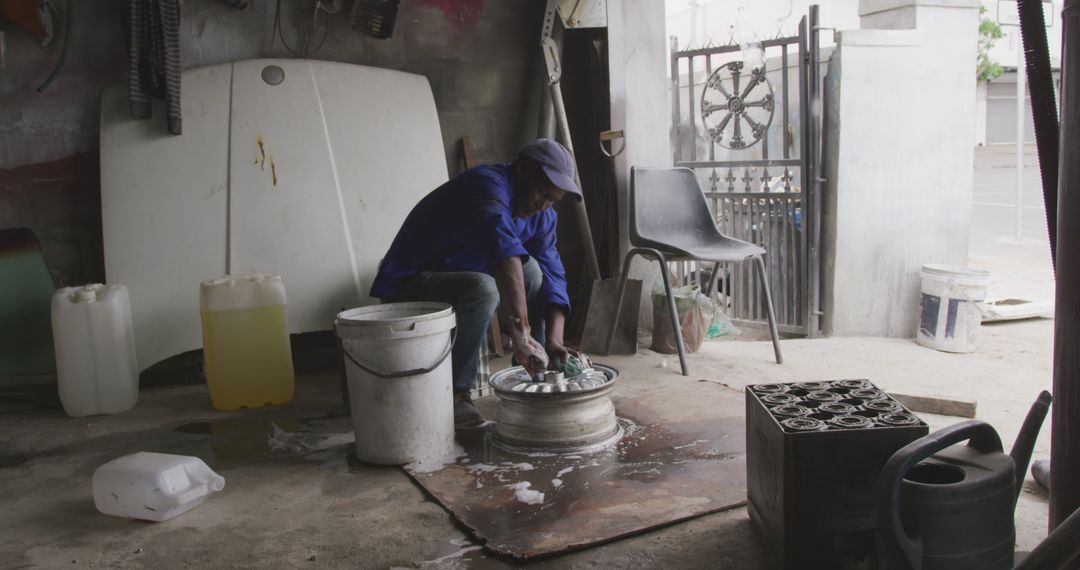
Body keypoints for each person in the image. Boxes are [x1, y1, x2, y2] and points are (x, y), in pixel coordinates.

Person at [370, 138, 580, 426]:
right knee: (484, 288)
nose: (542, 204)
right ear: (524, 169)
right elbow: (503, 250)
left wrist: (556, 340)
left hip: (461, 278)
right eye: (542, 192)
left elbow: (554, 275)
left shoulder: (542, 216)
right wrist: (520, 330)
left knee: (534, 273)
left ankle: (535, 370)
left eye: (552, 200)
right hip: (410, 284)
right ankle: (455, 395)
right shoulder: (486, 186)